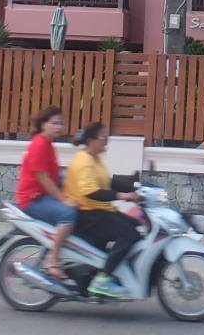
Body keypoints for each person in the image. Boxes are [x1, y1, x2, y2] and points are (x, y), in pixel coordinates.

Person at [63, 120, 140, 299]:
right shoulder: (84, 161)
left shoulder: (95, 158)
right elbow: (91, 192)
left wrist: (135, 188)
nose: (106, 141)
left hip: (99, 211)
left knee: (136, 225)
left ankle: (104, 272)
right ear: (91, 141)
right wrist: (122, 196)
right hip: (87, 214)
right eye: (103, 137)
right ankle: (103, 280)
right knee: (129, 234)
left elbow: (107, 182)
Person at [15, 106, 75, 279]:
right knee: (69, 213)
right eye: (54, 123)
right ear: (43, 124)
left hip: (42, 196)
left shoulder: (48, 145)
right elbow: (43, 178)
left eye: (60, 123)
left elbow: (55, 176)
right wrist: (63, 200)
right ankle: (52, 258)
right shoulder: (40, 144)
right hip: (32, 199)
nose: (58, 127)